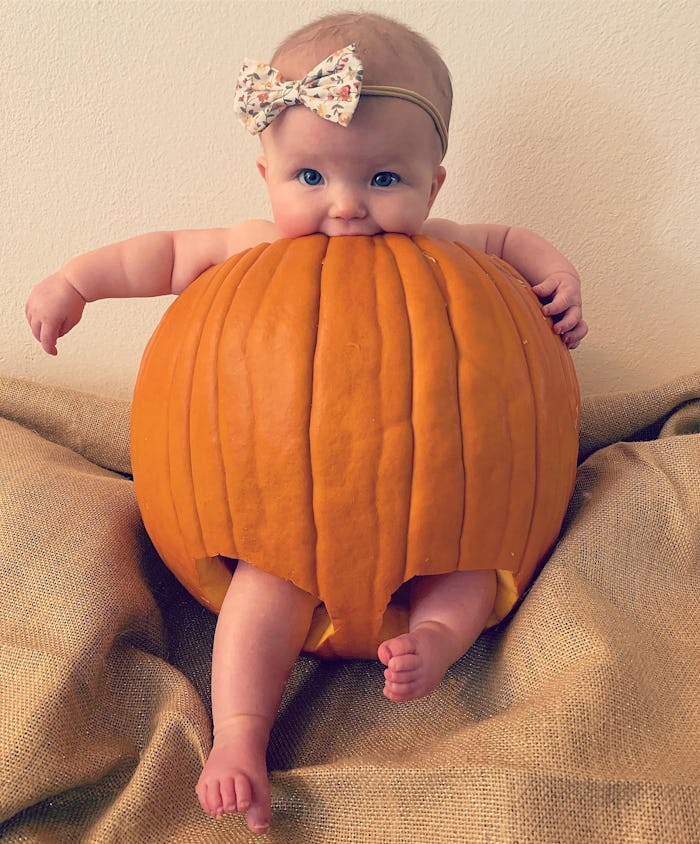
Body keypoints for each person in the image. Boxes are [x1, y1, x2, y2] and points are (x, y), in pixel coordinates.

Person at [25, 12, 587, 835]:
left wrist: (557, 275)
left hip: (442, 513)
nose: (347, 205)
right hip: (284, 521)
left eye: (383, 180)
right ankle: (239, 740)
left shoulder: (455, 249)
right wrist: (76, 282)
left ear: (432, 184)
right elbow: (158, 256)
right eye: (312, 178)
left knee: (472, 572)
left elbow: (513, 238)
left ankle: (434, 638)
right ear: (267, 173)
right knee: (260, 593)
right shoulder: (248, 246)